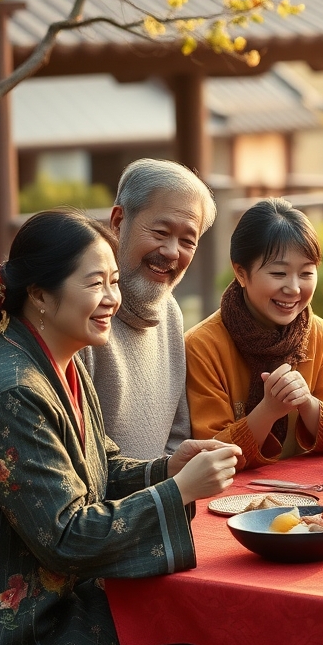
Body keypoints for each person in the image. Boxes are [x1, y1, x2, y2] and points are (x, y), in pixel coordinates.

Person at [0, 210, 241, 645]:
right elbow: (65, 536)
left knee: (210, 618)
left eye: (114, 281)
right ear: (41, 295)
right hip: (10, 633)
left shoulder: (56, 359)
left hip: (52, 591)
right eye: (96, 283)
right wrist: (178, 490)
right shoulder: (12, 391)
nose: (113, 298)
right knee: (205, 635)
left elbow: (100, 465)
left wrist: (165, 469)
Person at [184, 198, 323, 468]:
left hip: (309, 489)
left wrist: (306, 402)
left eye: (306, 273)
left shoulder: (316, 331)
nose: (294, 288)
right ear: (241, 273)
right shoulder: (203, 344)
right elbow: (211, 455)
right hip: (235, 498)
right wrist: (269, 410)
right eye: (279, 273)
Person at [81, 159, 215, 461]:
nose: (171, 251)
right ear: (118, 222)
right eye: (160, 232)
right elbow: (81, 456)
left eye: (187, 241)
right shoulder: (83, 313)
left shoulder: (170, 311)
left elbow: (178, 437)